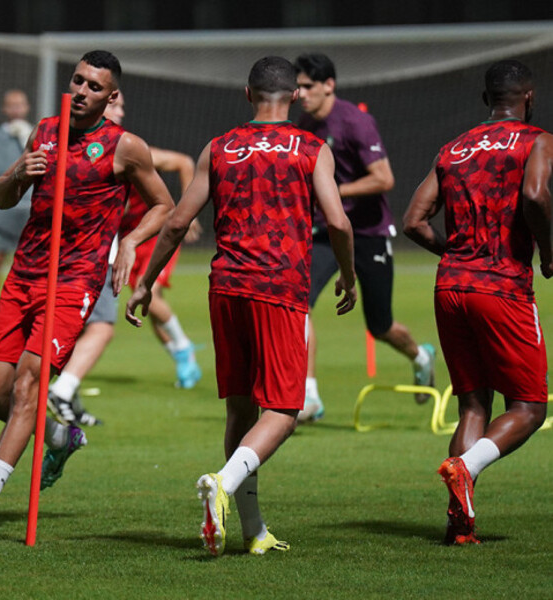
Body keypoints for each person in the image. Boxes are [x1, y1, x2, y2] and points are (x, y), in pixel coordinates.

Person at [0, 50, 174, 534]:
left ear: (111, 96)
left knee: (28, 385)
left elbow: (164, 205)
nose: (81, 91)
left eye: (94, 86)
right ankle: (59, 437)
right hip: (24, 274)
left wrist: (129, 242)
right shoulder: (45, 131)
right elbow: (3, 198)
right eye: (78, 80)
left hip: (74, 281)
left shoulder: (124, 146)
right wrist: (20, 173)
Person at [126, 56, 356, 557]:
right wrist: (349, 274)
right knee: (284, 412)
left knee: (240, 408)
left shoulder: (220, 147)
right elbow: (338, 222)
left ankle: (253, 531)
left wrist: (145, 283)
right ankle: (222, 484)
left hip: (226, 287)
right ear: (296, 96)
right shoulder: (311, 147)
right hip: (279, 288)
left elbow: (176, 222)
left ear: (247, 94)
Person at [403, 59, 551, 545]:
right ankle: (465, 468)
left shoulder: (454, 148)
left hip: (450, 287)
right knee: (529, 408)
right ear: (528, 98)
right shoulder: (535, 140)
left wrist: (457, 256)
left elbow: (414, 221)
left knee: (472, 406)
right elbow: (535, 196)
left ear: (487, 100)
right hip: (502, 287)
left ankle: (459, 525)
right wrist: (549, 252)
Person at [47, 92, 201, 425]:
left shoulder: (131, 150)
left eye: (121, 106)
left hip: (149, 238)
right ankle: (64, 393)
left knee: (142, 298)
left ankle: (182, 348)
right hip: (107, 245)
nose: (120, 112)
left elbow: (183, 163)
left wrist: (187, 213)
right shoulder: (79, 150)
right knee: (98, 321)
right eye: (114, 105)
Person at [294, 52, 434, 420]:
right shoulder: (305, 124)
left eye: (308, 86)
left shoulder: (355, 122)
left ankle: (420, 356)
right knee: (298, 304)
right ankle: (309, 397)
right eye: (298, 87)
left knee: (380, 326)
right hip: (325, 233)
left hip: (368, 233)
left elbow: (384, 178)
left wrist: (335, 192)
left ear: (329, 85)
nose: (301, 93)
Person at [0, 89, 34, 324]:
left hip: (30, 209)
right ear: (4, 108)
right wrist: (23, 155)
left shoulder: (34, 134)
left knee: (29, 262)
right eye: (12, 105)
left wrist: (27, 140)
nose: (16, 109)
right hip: (4, 209)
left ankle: (25, 308)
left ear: (27, 107)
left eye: (20, 104)